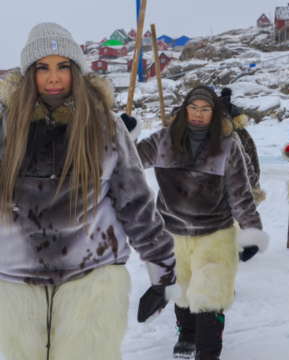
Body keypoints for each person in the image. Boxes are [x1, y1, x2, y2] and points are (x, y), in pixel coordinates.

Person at [0, 22, 178, 360]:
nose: (54, 77)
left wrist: (162, 266)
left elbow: (135, 201)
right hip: (16, 281)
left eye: (63, 66)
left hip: (93, 277)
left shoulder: (104, 125)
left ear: (76, 70)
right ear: (29, 74)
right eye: (43, 68)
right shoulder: (5, 126)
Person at [136, 85, 269, 360]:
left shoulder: (228, 146)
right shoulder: (163, 140)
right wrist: (124, 135)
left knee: (210, 295)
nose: (198, 114)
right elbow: (129, 159)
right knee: (182, 290)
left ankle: (208, 353)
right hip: (173, 232)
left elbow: (240, 193)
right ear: (184, 111)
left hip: (215, 233)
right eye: (193, 108)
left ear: (214, 113)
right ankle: (186, 336)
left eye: (205, 109)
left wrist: (252, 229)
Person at [219, 87, 265, 205]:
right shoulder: (203, 135)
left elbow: (251, 164)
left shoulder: (241, 135)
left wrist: (253, 190)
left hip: (237, 194)